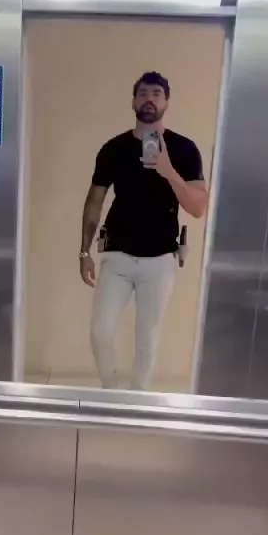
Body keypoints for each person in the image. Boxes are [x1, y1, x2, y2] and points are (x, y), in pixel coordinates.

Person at [79, 71, 208, 390]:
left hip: (160, 259)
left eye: (156, 94)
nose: (149, 99)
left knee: (147, 338)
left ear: (166, 102)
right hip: (117, 255)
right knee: (100, 331)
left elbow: (198, 207)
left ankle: (138, 397)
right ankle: (111, 391)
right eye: (143, 93)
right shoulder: (114, 148)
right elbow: (94, 200)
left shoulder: (184, 149)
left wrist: (168, 171)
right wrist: (84, 251)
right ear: (134, 101)